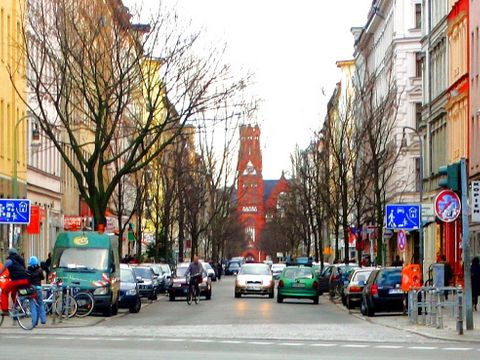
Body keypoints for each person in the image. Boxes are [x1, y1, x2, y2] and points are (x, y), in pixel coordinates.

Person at [0, 248, 30, 316]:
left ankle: (5, 310)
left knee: (4, 291)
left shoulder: (9, 261)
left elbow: (2, 270)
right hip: (25, 279)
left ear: (9, 254)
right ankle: (17, 308)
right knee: (13, 293)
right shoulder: (21, 260)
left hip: (17, 280)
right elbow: (21, 270)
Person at [28, 256, 46, 327]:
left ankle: (34, 322)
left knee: (32, 305)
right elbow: (43, 277)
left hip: (31, 289)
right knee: (40, 304)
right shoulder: (40, 270)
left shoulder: (28, 270)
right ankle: (43, 319)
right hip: (38, 288)